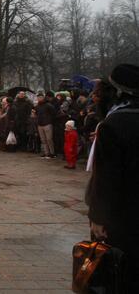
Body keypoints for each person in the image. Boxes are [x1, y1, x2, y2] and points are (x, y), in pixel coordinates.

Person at [85, 65, 139, 292]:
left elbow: (107, 178)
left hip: (123, 217)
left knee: (120, 275)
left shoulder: (114, 125)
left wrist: (98, 217)